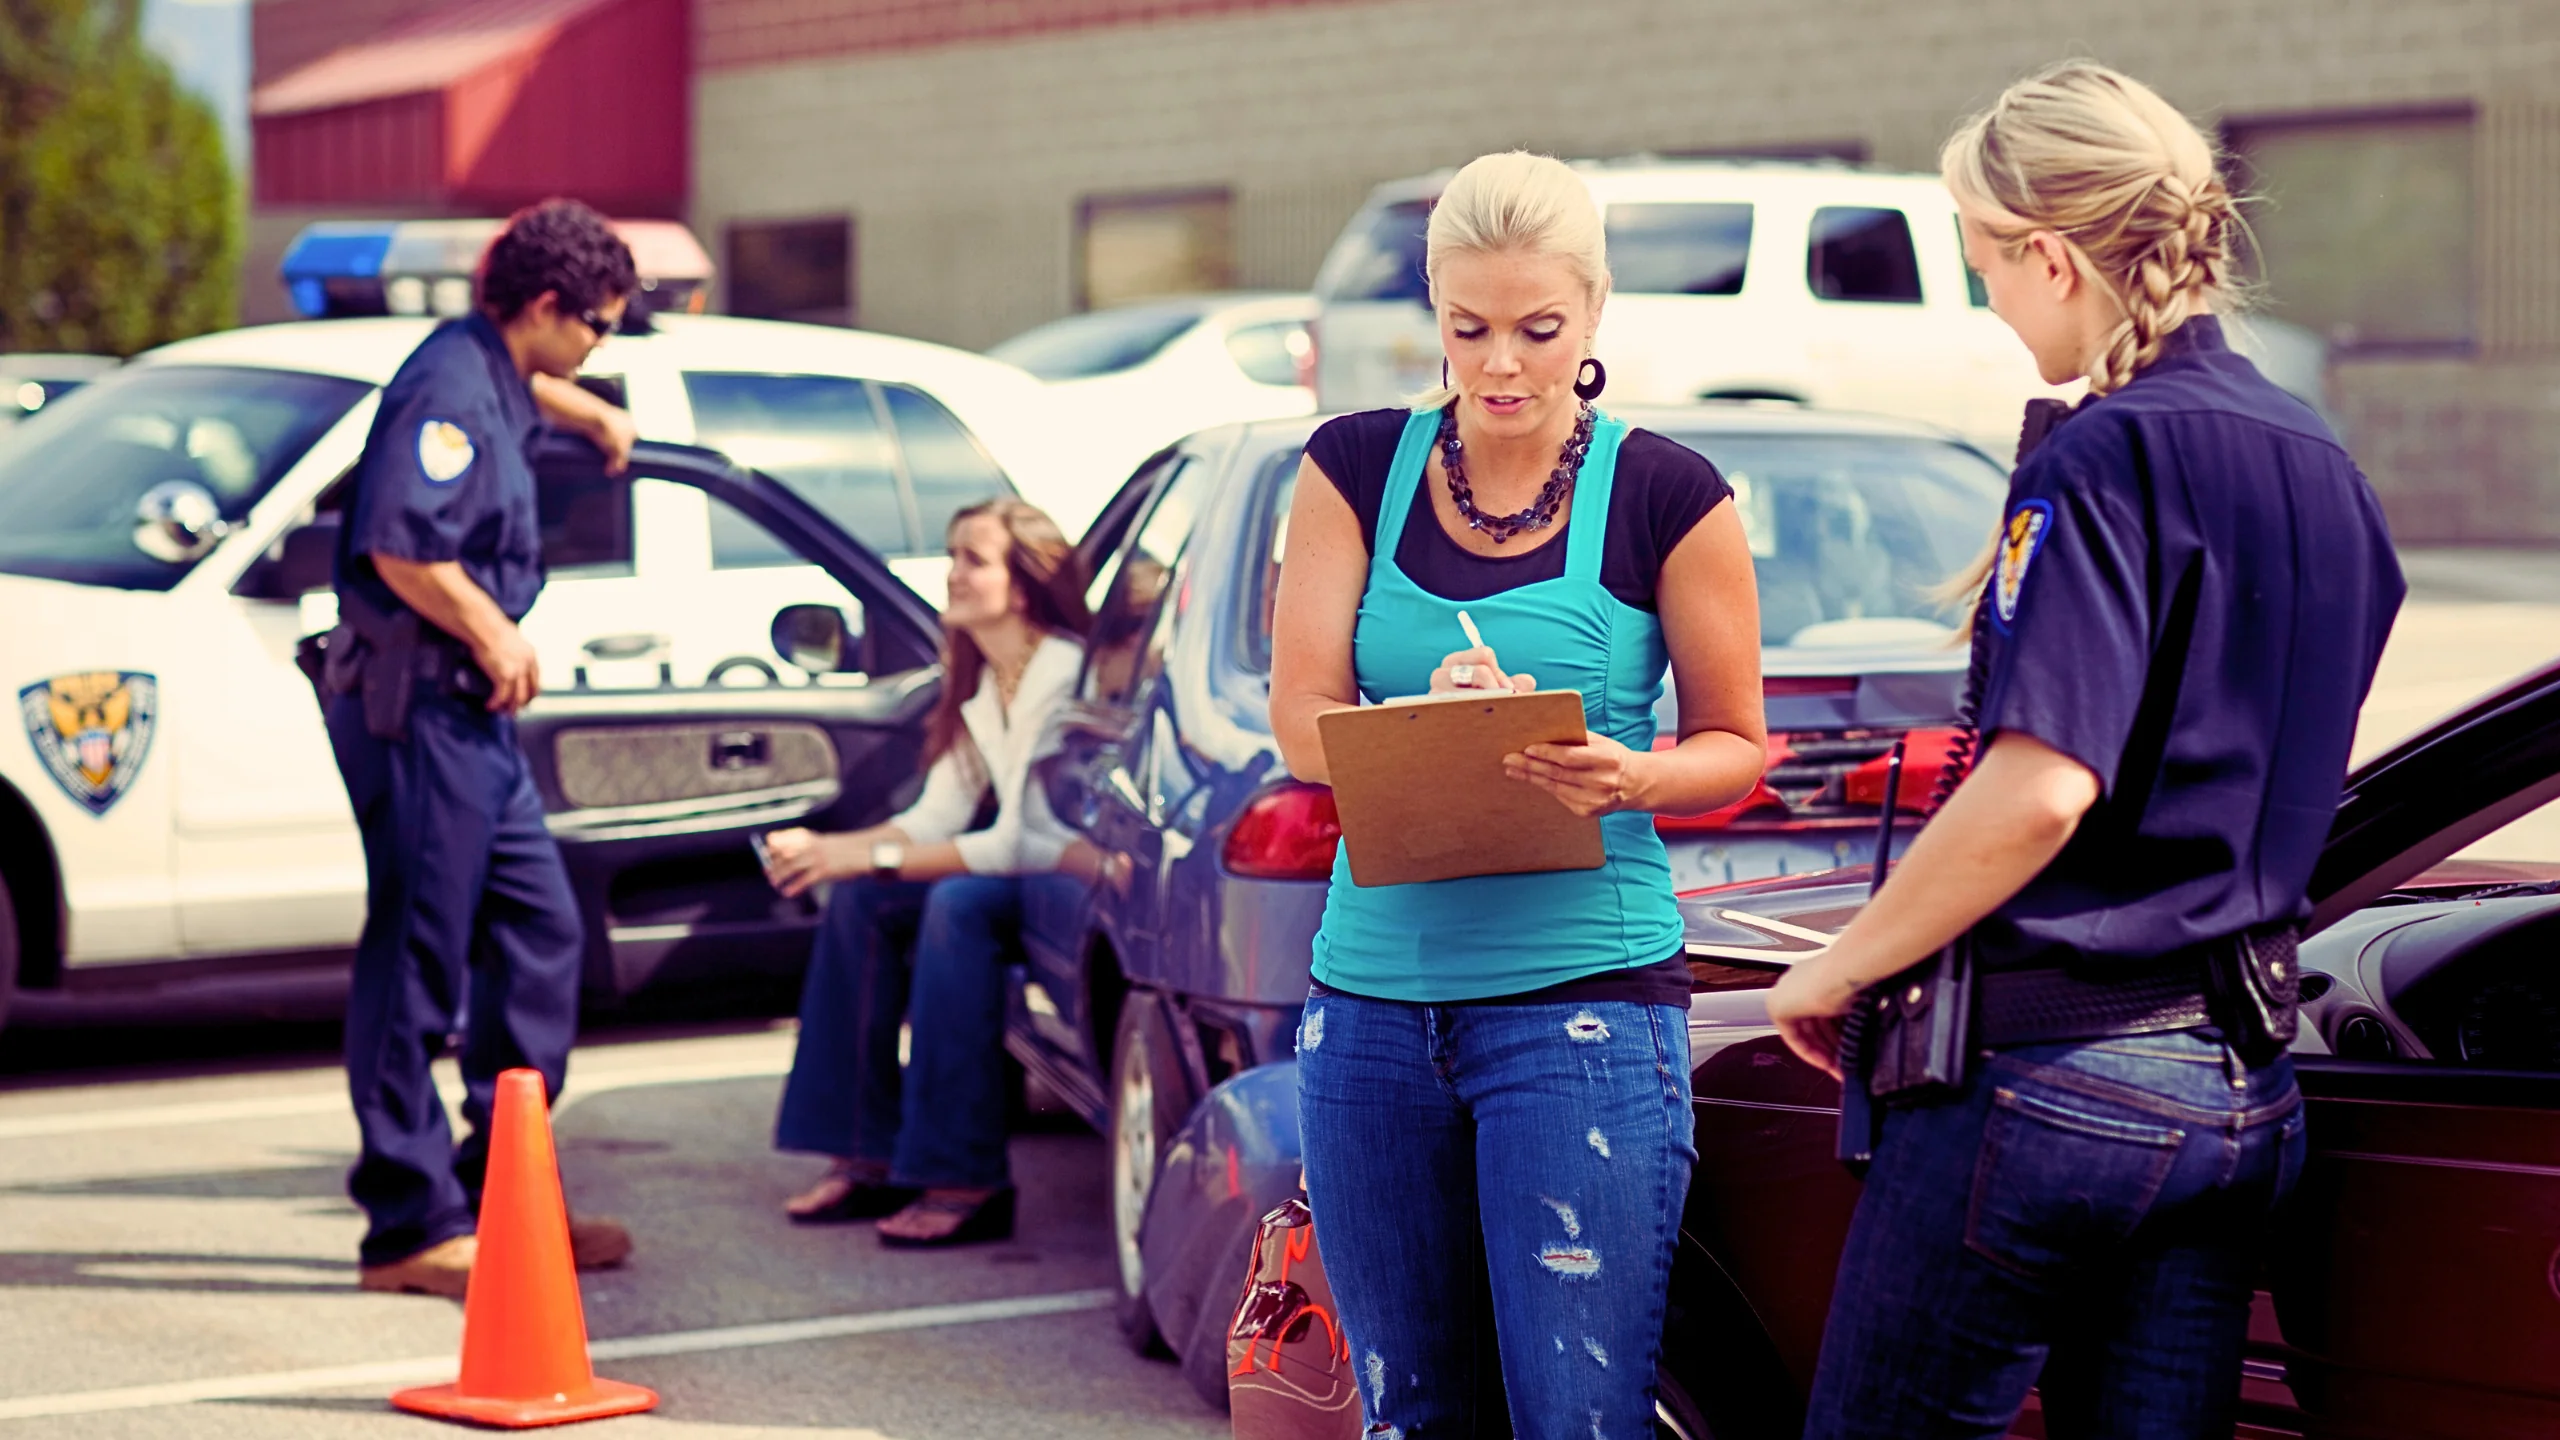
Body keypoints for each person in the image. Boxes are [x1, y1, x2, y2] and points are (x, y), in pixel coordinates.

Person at [1764, 62, 2406, 1438]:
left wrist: (1843, 960)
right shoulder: (2320, 459)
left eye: (1986, 263)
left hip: (2052, 1088)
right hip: (2241, 1087)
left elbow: (2043, 788)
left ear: (2052, 256)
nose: (1991, 302)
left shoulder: (2100, 460)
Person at [1266, 151, 1766, 1435]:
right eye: (1467, 328)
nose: (1500, 365)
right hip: (1370, 1010)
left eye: (1538, 330)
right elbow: (1298, 723)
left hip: (1580, 1016)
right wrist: (1419, 730)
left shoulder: (1669, 492)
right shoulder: (1350, 468)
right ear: (1431, 310)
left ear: (1593, 313)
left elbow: (1737, 744)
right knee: (1407, 1416)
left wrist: (1631, 775)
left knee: (1573, 1420)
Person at [322, 199, 643, 1298]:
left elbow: (515, 399)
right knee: (417, 957)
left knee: (541, 932)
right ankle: (408, 1226)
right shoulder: (449, 388)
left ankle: (507, 1196)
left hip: (472, 723)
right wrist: (496, 628)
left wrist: (589, 411)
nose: (599, 343)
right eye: (596, 326)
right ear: (546, 307)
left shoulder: (492, 370)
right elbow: (402, 545)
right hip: (422, 707)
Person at [761, 498, 1105, 1247]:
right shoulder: (985, 683)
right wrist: (835, 850)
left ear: (1022, 586)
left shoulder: (1061, 672)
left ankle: (963, 1176)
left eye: (971, 560)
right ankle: (865, 1154)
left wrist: (865, 853)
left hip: (1077, 877)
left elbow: (1024, 841)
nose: (952, 575)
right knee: (862, 900)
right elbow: (936, 818)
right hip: (1031, 865)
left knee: (958, 904)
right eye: (953, 557)